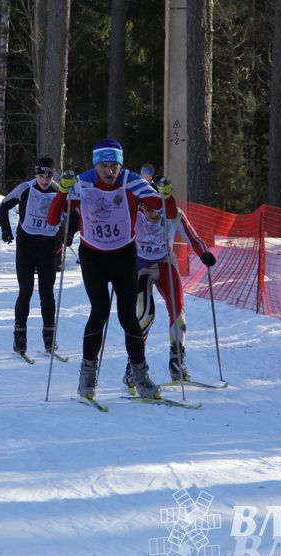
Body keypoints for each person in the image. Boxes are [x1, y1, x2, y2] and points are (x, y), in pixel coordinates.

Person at [46, 139, 186, 400]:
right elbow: (53, 218)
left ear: (121, 165)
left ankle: (140, 376)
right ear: (95, 165)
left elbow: (168, 213)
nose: (110, 172)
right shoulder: (83, 183)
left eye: (114, 166)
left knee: (128, 316)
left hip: (124, 255)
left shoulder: (131, 181)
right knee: (99, 312)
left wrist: (166, 194)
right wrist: (63, 192)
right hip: (93, 257)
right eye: (104, 166)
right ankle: (87, 376)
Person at [125, 175, 215, 389]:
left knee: (178, 311)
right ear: (142, 205)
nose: (154, 214)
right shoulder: (134, 215)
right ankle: (133, 365)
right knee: (145, 315)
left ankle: (177, 361)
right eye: (149, 209)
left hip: (165, 262)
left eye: (158, 209)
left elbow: (193, 237)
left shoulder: (173, 214)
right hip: (140, 266)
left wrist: (204, 254)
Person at [0, 156, 74, 357]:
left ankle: (49, 338)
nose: (45, 180)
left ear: (53, 175)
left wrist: (69, 234)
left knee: (47, 293)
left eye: (48, 176)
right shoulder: (25, 188)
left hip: (49, 247)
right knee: (26, 291)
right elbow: (3, 206)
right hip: (26, 246)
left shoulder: (59, 190)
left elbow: (73, 212)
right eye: (41, 176)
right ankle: (19, 338)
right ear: (36, 174)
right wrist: (6, 230)